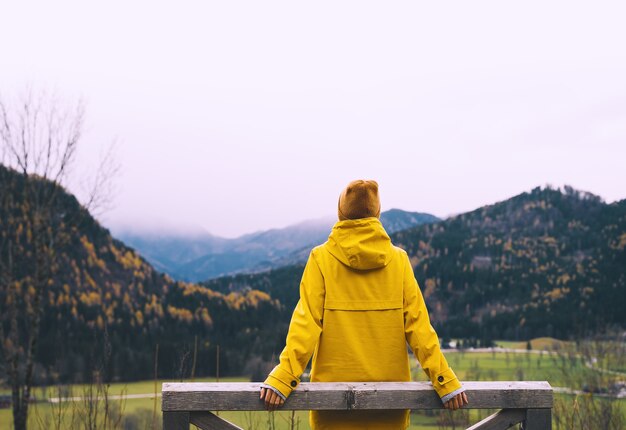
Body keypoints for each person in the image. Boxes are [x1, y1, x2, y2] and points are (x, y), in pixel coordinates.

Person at [260, 179, 468, 429]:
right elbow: (420, 329)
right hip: (390, 401)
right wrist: (444, 381)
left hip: (331, 402)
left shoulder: (321, 258)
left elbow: (305, 326)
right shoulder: (399, 260)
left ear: (340, 212)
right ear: (377, 213)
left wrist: (284, 377)